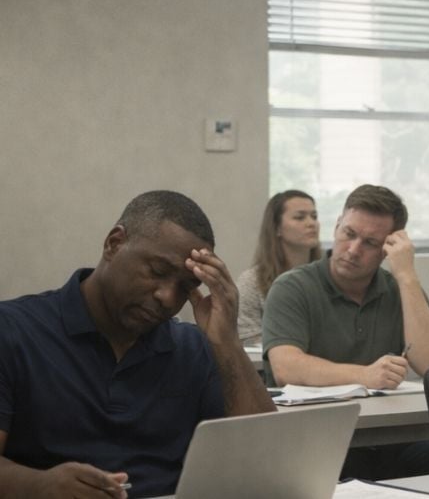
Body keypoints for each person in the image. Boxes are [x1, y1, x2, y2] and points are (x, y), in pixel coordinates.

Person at [0, 191, 275, 498]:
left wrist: (228, 344)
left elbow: (270, 464)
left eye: (186, 287)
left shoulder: (192, 348)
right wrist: (38, 486)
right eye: (157, 272)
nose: (168, 298)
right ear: (114, 244)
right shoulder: (13, 331)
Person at [260, 184, 429, 479]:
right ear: (336, 227)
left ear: (388, 247)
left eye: (371, 243)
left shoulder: (398, 289)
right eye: (349, 234)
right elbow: (286, 367)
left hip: (386, 438)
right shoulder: (292, 287)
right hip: (312, 439)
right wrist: (365, 376)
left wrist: (407, 275)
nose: (353, 249)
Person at [236, 190, 322, 344]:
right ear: (277, 228)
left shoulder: (331, 276)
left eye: (314, 216)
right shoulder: (251, 281)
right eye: (299, 217)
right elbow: (247, 339)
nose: (311, 223)